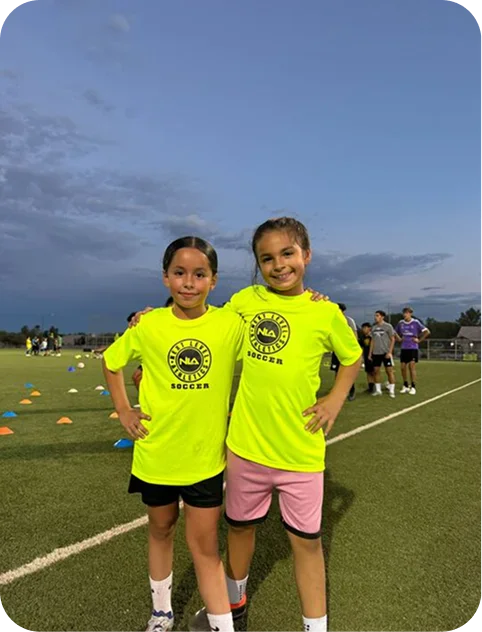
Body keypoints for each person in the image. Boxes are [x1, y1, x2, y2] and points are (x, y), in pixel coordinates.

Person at [131, 218, 361, 632]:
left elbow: (352, 356)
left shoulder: (324, 312)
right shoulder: (245, 301)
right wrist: (154, 319)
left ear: (306, 255)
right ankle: (233, 607)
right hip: (244, 449)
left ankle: (315, 627)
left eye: (288, 254)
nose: (279, 265)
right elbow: (198, 317)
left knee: (307, 544)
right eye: (267, 258)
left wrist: (334, 399)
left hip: (301, 453)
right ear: (257, 265)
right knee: (239, 531)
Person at [102, 236, 245, 632]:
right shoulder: (148, 324)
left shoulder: (230, 324)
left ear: (213, 281)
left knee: (204, 547)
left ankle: (221, 625)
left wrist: (309, 300)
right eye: (179, 273)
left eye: (199, 274)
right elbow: (112, 364)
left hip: (204, 458)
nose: (188, 282)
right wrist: (123, 410)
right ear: (165, 278)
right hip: (156, 454)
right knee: (161, 529)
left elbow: (272, 328)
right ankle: (161, 613)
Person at [395, 307, 430, 395]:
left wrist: (419, 340)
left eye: (407, 313)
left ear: (410, 313)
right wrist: (399, 339)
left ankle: (413, 386)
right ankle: (405, 385)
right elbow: (395, 333)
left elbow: (427, 332)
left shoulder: (415, 322)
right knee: (403, 367)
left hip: (413, 347)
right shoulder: (401, 323)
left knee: (411, 366)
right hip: (404, 348)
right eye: (404, 313)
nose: (405, 315)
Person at [330, 303, 358, 401]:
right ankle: (338, 391)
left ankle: (351, 390)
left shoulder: (349, 321)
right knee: (337, 371)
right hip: (336, 350)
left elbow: (354, 335)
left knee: (347, 371)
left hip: (346, 351)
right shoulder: (333, 319)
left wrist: (353, 349)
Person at [368, 310, 396, 397]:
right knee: (376, 371)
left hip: (386, 352)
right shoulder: (374, 327)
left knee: (389, 371)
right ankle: (378, 390)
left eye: (377, 315)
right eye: (375, 315)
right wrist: (370, 353)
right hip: (376, 353)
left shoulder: (388, 326)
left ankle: (392, 390)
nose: (375, 317)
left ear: (382, 317)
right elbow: (372, 341)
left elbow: (393, 339)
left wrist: (390, 352)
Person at [359, 322, 375, 393]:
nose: (363, 329)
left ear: (369, 328)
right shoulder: (363, 337)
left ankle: (376, 387)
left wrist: (370, 355)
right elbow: (361, 347)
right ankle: (370, 387)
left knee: (373, 372)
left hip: (373, 356)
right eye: (363, 328)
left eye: (365, 328)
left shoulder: (372, 336)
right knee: (368, 371)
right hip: (366, 356)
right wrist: (362, 357)